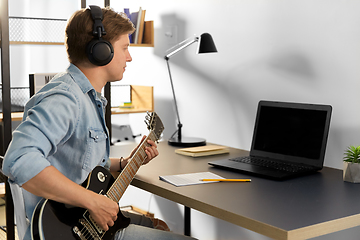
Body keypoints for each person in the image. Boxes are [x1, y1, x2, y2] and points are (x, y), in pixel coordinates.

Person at [2, 5, 196, 240]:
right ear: (101, 51)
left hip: (82, 218)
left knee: (158, 225)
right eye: (124, 48)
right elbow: (19, 159)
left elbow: (78, 160)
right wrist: (93, 201)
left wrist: (125, 163)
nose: (129, 57)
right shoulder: (65, 98)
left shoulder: (87, 97)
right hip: (68, 227)